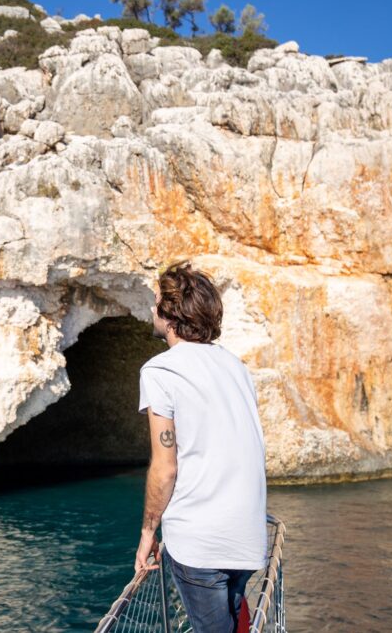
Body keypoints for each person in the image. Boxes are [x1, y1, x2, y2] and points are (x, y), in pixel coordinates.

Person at [134, 260, 268, 633]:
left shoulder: (160, 372)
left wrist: (148, 534)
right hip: (247, 538)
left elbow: (165, 467)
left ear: (170, 314)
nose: (150, 309)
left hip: (200, 543)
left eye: (156, 300)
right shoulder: (236, 367)